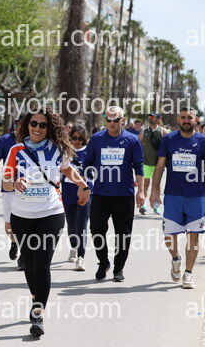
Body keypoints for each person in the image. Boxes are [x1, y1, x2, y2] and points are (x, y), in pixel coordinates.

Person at [3, 108, 90, 337]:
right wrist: (15, 182)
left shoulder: (58, 149)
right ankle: (36, 297)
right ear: (27, 126)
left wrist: (83, 185)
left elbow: (67, 169)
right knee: (30, 265)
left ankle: (38, 313)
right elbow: (6, 181)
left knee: (42, 264)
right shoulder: (16, 150)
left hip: (51, 212)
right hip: (21, 215)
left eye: (42, 125)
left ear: (49, 127)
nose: (37, 128)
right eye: (34, 124)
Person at [83, 106, 145, 282]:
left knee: (123, 234)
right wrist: (86, 184)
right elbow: (87, 163)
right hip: (100, 194)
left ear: (122, 120)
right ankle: (103, 262)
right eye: (108, 119)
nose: (111, 123)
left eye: (115, 120)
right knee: (96, 230)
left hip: (124, 195)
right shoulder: (96, 139)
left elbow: (138, 166)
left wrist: (141, 191)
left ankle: (119, 268)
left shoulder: (132, 140)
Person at [149, 107, 205, 289]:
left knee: (193, 237)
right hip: (173, 196)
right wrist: (154, 191)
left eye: (189, 117)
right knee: (169, 236)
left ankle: (188, 274)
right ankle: (175, 258)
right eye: (183, 117)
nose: (186, 120)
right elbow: (160, 167)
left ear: (195, 119)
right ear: (178, 119)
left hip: (197, 197)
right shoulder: (169, 139)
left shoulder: (202, 141)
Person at [0, 116, 24, 271]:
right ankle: (14, 242)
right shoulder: (4, 140)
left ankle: (24, 255)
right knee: (9, 223)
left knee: (26, 221)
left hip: (27, 187)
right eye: (19, 125)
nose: (21, 128)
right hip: (8, 186)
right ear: (15, 125)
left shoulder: (33, 140)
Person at [61, 124, 92, 271]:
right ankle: (74, 247)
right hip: (68, 190)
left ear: (84, 138)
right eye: (74, 138)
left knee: (82, 224)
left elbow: (94, 171)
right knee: (72, 224)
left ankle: (81, 257)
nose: (77, 141)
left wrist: (87, 181)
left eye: (80, 138)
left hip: (85, 191)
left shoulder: (89, 151)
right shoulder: (65, 151)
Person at [139, 112, 168, 215]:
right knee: (145, 184)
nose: (150, 118)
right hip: (146, 163)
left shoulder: (163, 131)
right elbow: (139, 143)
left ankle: (156, 206)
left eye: (153, 117)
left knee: (157, 185)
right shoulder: (144, 131)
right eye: (150, 117)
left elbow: (168, 145)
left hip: (158, 164)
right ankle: (143, 205)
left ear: (158, 119)